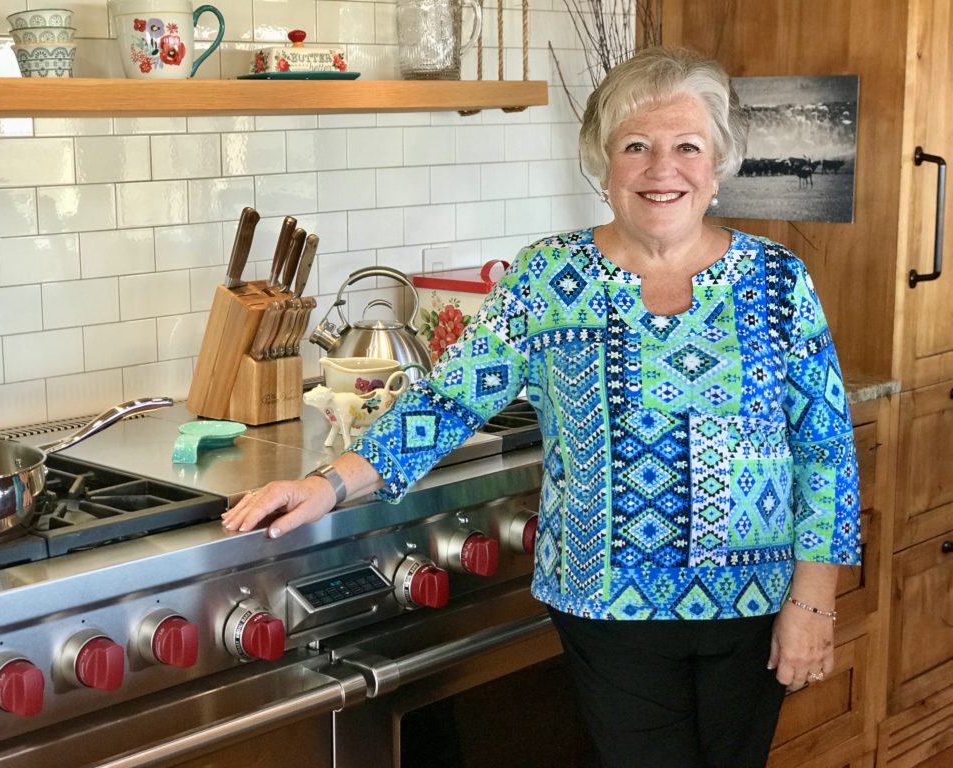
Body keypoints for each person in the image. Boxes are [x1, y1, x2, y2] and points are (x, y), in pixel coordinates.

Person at [222, 45, 861, 768]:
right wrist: (325, 484)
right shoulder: (549, 277)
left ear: (718, 164)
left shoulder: (777, 281)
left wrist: (813, 601)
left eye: (687, 146)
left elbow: (825, 449)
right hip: (607, 604)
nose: (662, 168)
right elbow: (451, 398)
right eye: (636, 146)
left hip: (755, 600)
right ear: (604, 163)